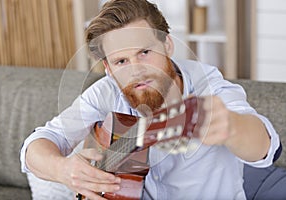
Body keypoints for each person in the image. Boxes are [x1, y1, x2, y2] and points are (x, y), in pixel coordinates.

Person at [20, 0, 281, 199]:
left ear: (167, 45)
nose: (136, 70)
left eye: (144, 52)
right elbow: (39, 143)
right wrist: (63, 169)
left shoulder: (208, 84)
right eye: (121, 61)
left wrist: (233, 127)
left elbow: (266, 149)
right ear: (109, 68)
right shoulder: (106, 91)